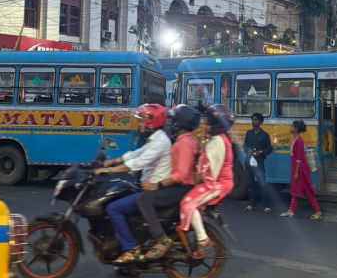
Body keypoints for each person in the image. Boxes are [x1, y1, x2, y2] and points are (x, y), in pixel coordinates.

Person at [97, 104, 171, 264]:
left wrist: (109, 171)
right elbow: (136, 153)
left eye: (142, 120)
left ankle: (131, 249)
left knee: (113, 208)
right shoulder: (155, 139)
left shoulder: (160, 142)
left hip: (153, 190)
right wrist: (112, 161)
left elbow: (138, 163)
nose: (139, 124)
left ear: (152, 121)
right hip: (146, 186)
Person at [136, 105, 200, 261]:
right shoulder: (186, 139)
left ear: (180, 123)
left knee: (144, 200)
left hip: (181, 188)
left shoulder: (184, 143)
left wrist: (157, 185)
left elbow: (181, 174)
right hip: (182, 186)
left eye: (172, 120)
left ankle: (161, 239)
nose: (169, 123)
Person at [178, 105, 235, 259]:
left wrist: (195, 177)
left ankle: (203, 239)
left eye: (208, 122)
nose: (205, 125)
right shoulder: (219, 139)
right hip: (217, 182)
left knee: (188, 204)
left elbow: (210, 172)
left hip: (215, 184)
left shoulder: (217, 142)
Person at [280, 119, 322, 220]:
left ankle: (317, 211)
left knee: (304, 192)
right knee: (298, 191)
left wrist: (296, 172)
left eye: (293, 126)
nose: (291, 128)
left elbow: (299, 158)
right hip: (299, 169)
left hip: (300, 170)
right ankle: (292, 211)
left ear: (296, 129)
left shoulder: (299, 141)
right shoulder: (296, 139)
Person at [244, 112, 273, 213]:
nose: (253, 122)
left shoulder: (265, 135)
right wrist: (248, 151)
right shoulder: (249, 133)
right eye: (253, 119)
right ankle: (251, 204)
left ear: (260, 122)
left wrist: (261, 152)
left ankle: (266, 206)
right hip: (249, 161)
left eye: (256, 120)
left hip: (259, 161)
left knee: (263, 183)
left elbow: (269, 149)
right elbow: (245, 146)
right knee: (250, 183)